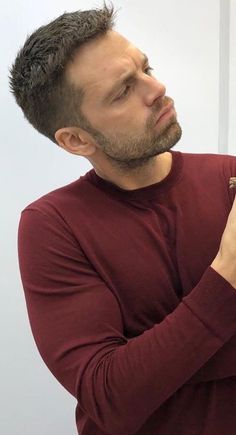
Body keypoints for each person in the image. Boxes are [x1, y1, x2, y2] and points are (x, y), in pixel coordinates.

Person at [9, 3, 236, 435]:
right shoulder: (52, 226)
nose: (156, 88)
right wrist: (227, 275)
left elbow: (134, 382)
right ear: (76, 139)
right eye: (123, 91)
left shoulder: (230, 177)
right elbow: (112, 397)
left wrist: (155, 362)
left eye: (146, 68)